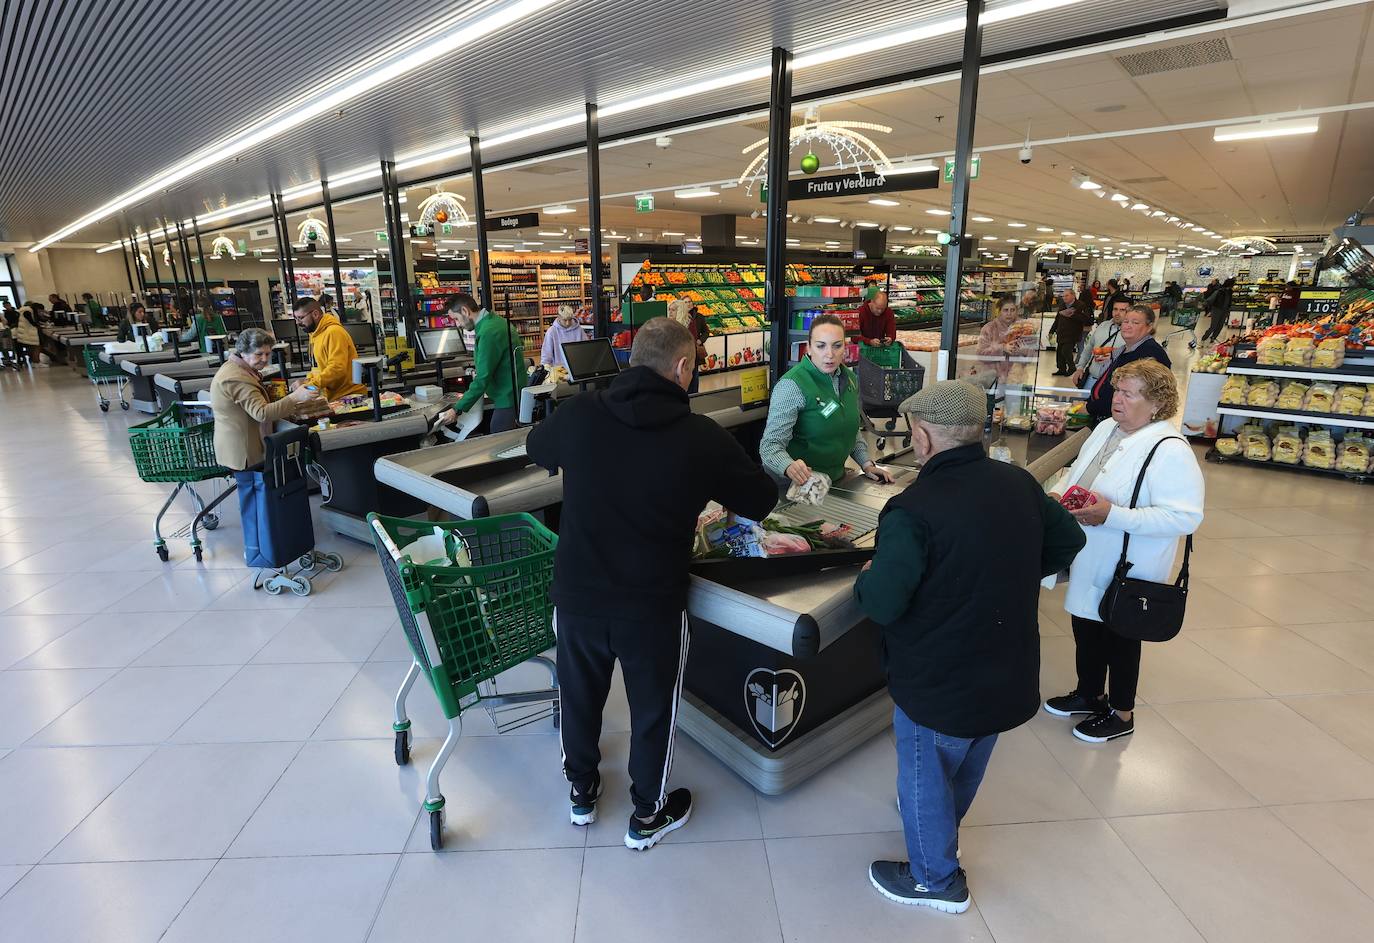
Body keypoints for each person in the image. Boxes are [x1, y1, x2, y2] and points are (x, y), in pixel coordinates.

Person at [525, 317, 776, 850]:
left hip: (578, 597)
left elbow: (536, 447)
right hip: (652, 604)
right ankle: (647, 814)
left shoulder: (581, 414)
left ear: (631, 358)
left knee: (579, 696)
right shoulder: (701, 437)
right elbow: (760, 500)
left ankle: (582, 793)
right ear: (683, 367)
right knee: (653, 708)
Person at [857, 380, 1085, 913]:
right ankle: (935, 831)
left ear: (925, 438)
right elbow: (1067, 542)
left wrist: (868, 577)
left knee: (924, 770)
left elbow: (884, 603)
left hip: (937, 677)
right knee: (963, 765)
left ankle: (934, 881)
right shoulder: (1018, 484)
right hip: (1005, 666)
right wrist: (1012, 571)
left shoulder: (912, 509)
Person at [1044, 360, 1203, 742]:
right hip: (1092, 551)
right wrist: (1059, 493)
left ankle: (1121, 712)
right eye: (1117, 390)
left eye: (1129, 394)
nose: (1118, 399)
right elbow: (1080, 472)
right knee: (1086, 624)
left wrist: (1112, 515)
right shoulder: (1105, 429)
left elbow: (1185, 518)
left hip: (1130, 562)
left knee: (1121, 634)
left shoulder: (1170, 449)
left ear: (1156, 404)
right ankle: (1090, 693)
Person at [760, 314, 895, 490]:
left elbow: (851, 431)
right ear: (808, 348)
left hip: (834, 482)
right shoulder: (792, 385)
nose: (829, 354)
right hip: (795, 487)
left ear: (844, 348)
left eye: (837, 346)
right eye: (820, 346)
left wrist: (867, 464)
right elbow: (769, 446)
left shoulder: (850, 379)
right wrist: (788, 466)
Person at [211, 328, 323, 473]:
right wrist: (295, 397)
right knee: (255, 491)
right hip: (243, 451)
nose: (264, 359)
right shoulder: (237, 378)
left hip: (240, 445)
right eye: (259, 354)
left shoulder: (237, 368)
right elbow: (261, 413)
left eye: (267, 353)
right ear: (243, 353)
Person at [436, 292, 524, 436]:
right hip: (513, 396)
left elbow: (483, 378)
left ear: (465, 311)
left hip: (507, 399)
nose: (458, 324)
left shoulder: (489, 331)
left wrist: (457, 409)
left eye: (457, 319)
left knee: (498, 444)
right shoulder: (496, 321)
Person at [1086, 304, 1171, 420]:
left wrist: (1089, 408)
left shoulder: (1150, 354)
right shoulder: (1125, 349)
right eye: (1126, 322)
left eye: (1135, 323)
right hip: (1108, 417)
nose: (1128, 326)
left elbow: (1131, 395)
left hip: (1129, 423)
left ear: (1149, 327)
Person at [290, 295, 367, 402]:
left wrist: (310, 384)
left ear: (315, 314)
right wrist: (306, 381)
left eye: (301, 318)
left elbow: (337, 369)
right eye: (295, 318)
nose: (298, 323)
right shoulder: (314, 334)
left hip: (349, 397)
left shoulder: (333, 332)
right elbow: (317, 367)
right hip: (333, 397)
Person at [972, 294, 1037, 389]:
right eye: (1005, 310)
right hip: (993, 379)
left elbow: (1032, 355)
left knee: (1014, 404)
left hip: (1016, 378)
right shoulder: (989, 328)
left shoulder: (1025, 328)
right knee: (995, 403)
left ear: (1017, 311)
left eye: (1012, 310)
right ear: (999, 311)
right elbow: (981, 354)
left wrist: (1019, 350)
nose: (1009, 313)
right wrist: (1002, 348)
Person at [1073, 295, 1128, 389]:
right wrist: (1080, 368)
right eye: (1115, 309)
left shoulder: (1132, 333)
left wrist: (1113, 357)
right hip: (1092, 380)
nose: (1117, 313)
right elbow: (1088, 348)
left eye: (1122, 310)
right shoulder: (1103, 326)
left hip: (1115, 385)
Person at [1052, 289, 1094, 377]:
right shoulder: (1062, 305)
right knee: (1059, 351)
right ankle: (1061, 369)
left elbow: (1085, 318)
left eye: (1066, 295)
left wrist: (1073, 314)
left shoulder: (1080, 305)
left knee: (1066, 350)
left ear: (1073, 295)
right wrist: (1052, 330)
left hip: (1072, 332)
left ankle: (1071, 367)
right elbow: (1058, 318)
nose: (1064, 298)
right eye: (1063, 296)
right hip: (1061, 331)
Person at [539, 304, 586, 372]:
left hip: (578, 369)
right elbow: (546, 356)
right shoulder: (552, 332)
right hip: (559, 371)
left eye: (570, 320)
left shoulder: (579, 330)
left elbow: (585, 350)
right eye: (565, 320)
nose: (567, 323)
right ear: (559, 317)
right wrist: (545, 370)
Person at [1200, 277, 1235, 343]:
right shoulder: (1220, 291)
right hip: (1217, 309)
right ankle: (1204, 338)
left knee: (1220, 325)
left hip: (1225, 310)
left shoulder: (1230, 292)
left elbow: (1229, 301)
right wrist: (1204, 305)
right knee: (1213, 325)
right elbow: (1211, 299)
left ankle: (1213, 338)